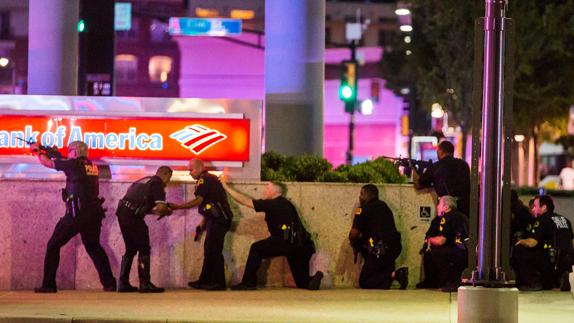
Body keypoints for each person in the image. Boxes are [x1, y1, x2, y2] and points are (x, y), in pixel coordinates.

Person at [30, 141, 116, 293]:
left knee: (53, 245)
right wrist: (56, 155)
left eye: (70, 151)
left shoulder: (73, 165)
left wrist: (38, 151)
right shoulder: (90, 166)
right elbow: (68, 164)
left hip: (77, 214)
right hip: (93, 214)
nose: (68, 153)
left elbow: (48, 163)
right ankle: (109, 283)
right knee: (94, 246)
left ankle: (48, 284)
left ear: (75, 152)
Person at [220, 178, 324, 291]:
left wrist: (226, 188)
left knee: (256, 248)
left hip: (284, 242)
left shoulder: (273, 203)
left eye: (267, 187)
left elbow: (246, 201)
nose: (265, 190)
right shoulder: (287, 204)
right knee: (303, 283)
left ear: (276, 191)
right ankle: (313, 278)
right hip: (302, 245)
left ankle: (248, 282)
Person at [169, 159, 233, 290]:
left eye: (191, 169)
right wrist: (203, 222)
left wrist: (178, 207)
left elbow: (199, 200)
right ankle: (205, 280)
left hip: (219, 219)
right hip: (214, 219)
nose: (189, 172)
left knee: (213, 250)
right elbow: (208, 203)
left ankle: (218, 283)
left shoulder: (205, 179)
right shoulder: (206, 179)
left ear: (200, 168)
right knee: (209, 249)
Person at [116, 166, 173, 293]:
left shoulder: (145, 181)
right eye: (169, 178)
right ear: (166, 175)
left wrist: (160, 210)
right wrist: (168, 211)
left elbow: (143, 208)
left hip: (122, 212)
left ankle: (123, 283)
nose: (168, 182)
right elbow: (161, 208)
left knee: (130, 248)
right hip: (133, 216)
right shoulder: (158, 184)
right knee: (144, 248)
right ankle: (145, 283)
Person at [348, 184, 408, 289]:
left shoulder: (362, 209)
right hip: (394, 249)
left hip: (379, 250)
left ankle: (396, 275)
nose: (359, 197)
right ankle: (391, 274)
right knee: (382, 281)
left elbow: (354, 234)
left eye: (361, 194)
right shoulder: (385, 207)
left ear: (367, 195)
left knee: (364, 281)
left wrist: (354, 245)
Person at [417, 195, 469, 292]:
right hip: (468, 252)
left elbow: (441, 240)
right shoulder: (460, 215)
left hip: (461, 253)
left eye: (439, 204)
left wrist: (429, 240)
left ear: (446, 207)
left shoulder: (447, 217)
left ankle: (451, 281)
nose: (437, 207)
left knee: (437, 252)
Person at [414, 140, 470, 217]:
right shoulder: (464, 165)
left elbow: (419, 184)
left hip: (446, 209)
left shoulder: (435, 167)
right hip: (465, 209)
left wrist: (413, 171)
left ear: (440, 151)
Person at [513, 195, 557, 291]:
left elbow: (532, 243)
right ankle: (555, 280)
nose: (533, 209)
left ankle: (532, 282)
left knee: (520, 249)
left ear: (544, 207)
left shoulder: (542, 220)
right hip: (559, 256)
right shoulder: (560, 218)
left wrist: (520, 241)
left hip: (546, 256)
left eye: (535, 206)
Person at [548, 206, 573, 291]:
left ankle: (557, 282)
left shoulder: (545, 219)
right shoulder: (565, 219)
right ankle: (562, 278)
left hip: (555, 251)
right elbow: (571, 239)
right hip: (566, 251)